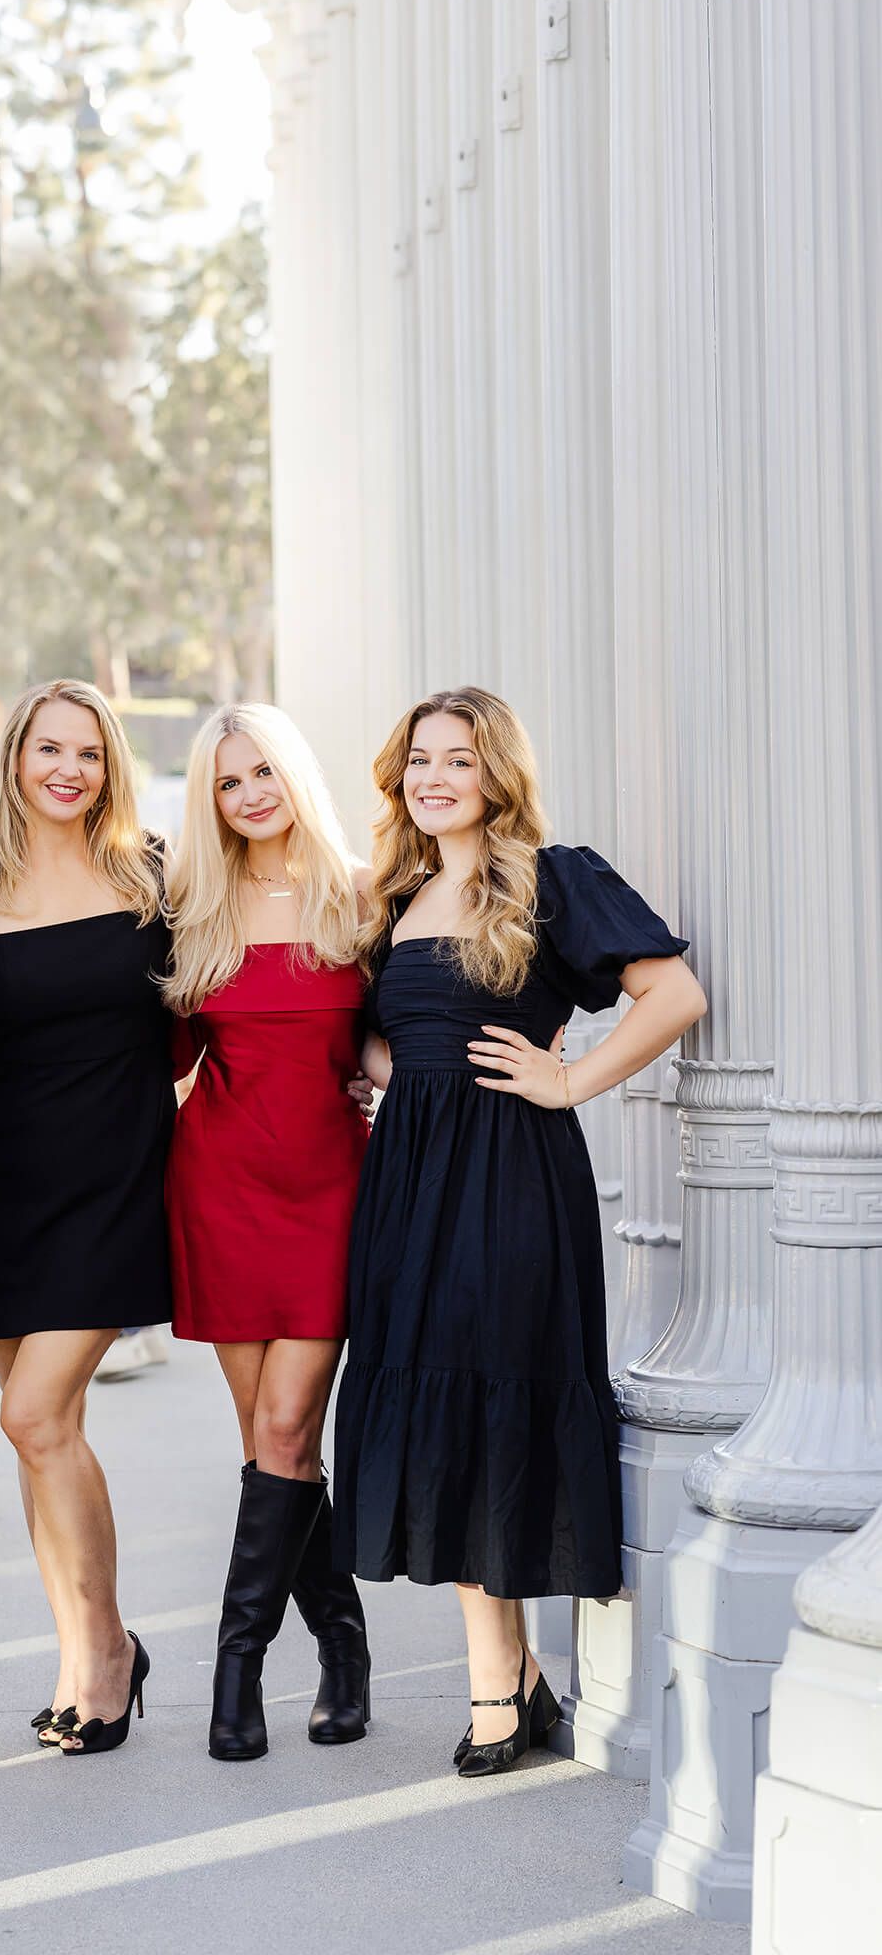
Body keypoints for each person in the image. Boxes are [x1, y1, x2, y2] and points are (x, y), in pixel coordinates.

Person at [332, 688, 706, 1776]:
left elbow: (672, 994)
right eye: (419, 760)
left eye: (458, 758)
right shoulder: (394, 897)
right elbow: (386, 1035)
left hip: (512, 1178)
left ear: (496, 774)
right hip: (409, 1186)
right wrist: (390, 1076)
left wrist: (570, 1080)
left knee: (495, 1388)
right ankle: (510, 1672)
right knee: (440, 1403)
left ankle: (502, 1681)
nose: (434, 778)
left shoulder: (553, 878)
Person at [0, 678, 171, 1755]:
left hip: (118, 1176)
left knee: (33, 1417)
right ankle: (78, 1658)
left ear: (109, 764)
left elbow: (240, 979)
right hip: (2, 1178)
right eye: (49, 748)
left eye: (88, 751)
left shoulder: (155, 877)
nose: (68, 769)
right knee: (42, 1436)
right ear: (15, 758)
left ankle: (108, 1651)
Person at [165, 704, 372, 1761]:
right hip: (221, 1189)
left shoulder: (362, 895)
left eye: (262, 773)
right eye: (226, 782)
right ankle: (343, 1647)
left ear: (295, 774)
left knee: (286, 1429)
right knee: (271, 1444)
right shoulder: (190, 907)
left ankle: (235, 1670)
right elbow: (158, 1056)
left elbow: (392, 1036)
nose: (249, 795)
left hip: (330, 1191)